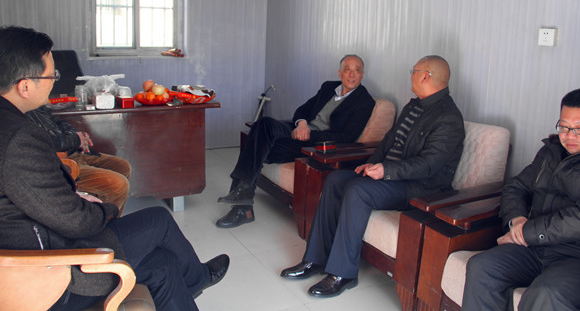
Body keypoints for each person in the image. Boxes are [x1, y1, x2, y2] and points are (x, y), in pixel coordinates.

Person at [0, 26, 229, 311]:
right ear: (24, 86)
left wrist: (71, 197)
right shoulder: (19, 139)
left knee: (162, 264)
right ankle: (198, 278)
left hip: (39, 244)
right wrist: (103, 209)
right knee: (158, 220)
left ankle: (196, 279)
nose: (55, 82)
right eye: (52, 76)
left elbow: (28, 195)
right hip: (46, 276)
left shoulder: (11, 124)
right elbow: (75, 221)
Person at [280, 55, 465, 298]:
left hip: (417, 187)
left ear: (425, 76)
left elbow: (430, 164)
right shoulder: (414, 105)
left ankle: (343, 273)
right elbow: (389, 141)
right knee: (335, 180)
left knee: (358, 190)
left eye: (414, 70)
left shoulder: (448, 117)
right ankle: (315, 259)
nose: (411, 74)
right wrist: (371, 163)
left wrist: (386, 171)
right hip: (392, 177)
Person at [461, 88, 580, 311]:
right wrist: (516, 220)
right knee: (482, 266)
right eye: (564, 127)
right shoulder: (551, 152)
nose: (569, 136)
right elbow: (516, 187)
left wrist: (527, 233)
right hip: (535, 247)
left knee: (546, 293)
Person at [216, 54, 376, 228]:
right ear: (340, 73)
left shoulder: (364, 101)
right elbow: (303, 110)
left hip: (315, 145)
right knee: (263, 124)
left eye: (357, 71)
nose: (352, 75)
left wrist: (309, 135)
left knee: (255, 143)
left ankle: (242, 208)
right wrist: (302, 124)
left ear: (362, 75)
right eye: (347, 70)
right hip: (299, 131)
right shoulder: (328, 87)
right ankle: (242, 199)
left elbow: (347, 136)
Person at [26, 105, 131, 215]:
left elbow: (58, 121)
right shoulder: (19, 117)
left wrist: (76, 135)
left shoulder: (35, 106)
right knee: (118, 184)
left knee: (122, 166)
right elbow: (43, 143)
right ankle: (103, 222)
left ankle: (105, 216)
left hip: (71, 151)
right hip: (59, 163)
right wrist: (75, 140)